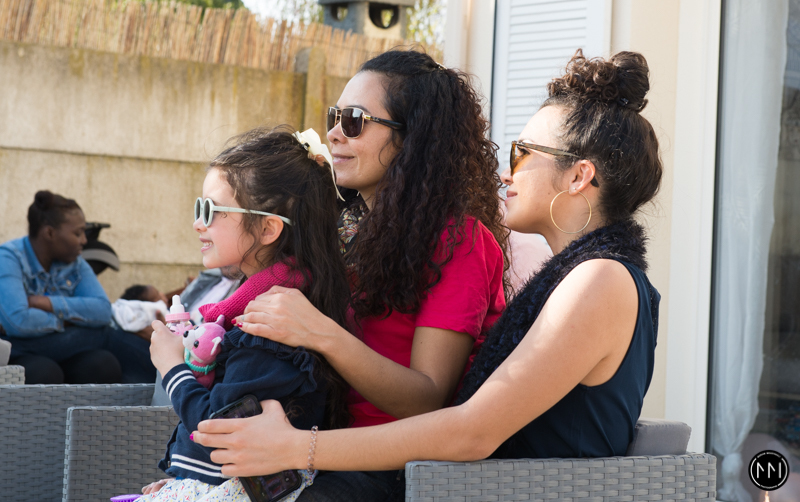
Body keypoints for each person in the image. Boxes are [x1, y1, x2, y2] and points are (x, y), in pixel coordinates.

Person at [191, 49, 663, 492]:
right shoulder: (579, 277)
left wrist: (297, 447)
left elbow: (472, 431)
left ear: (578, 176)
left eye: (521, 153)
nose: (506, 172)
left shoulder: (600, 279)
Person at [200, 50, 509, 500]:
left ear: (410, 138)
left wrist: (321, 333)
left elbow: (428, 398)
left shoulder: (458, 240)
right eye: (335, 117)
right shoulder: (338, 228)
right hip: (305, 448)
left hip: (392, 467)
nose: (332, 133)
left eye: (354, 121)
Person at [140, 127, 353, 502]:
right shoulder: (260, 305)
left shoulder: (269, 324)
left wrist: (172, 367)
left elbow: (218, 429)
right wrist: (181, 479)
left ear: (268, 228)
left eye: (210, 211)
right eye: (198, 208)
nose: (198, 223)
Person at [0, 191, 155, 383]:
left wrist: (47, 303)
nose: (84, 240)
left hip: (64, 345)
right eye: (77, 233)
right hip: (21, 348)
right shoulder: (8, 258)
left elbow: (102, 310)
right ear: (49, 233)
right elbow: (19, 322)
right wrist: (71, 321)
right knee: (45, 372)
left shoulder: (74, 262)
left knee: (103, 364)